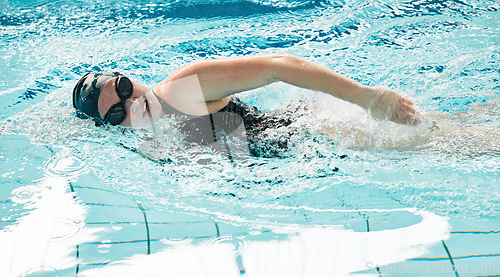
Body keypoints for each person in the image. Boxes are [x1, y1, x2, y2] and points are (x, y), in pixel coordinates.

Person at [73, 54, 420, 160]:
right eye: (117, 111)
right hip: (306, 152)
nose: (132, 101)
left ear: (128, 77)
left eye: (123, 87)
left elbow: (276, 66)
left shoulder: (177, 90)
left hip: (320, 133)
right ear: (111, 127)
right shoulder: (151, 143)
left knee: (449, 143)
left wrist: (368, 98)